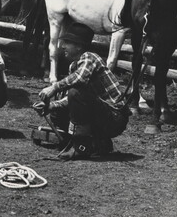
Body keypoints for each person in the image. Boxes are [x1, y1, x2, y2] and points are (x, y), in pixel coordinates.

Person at [38, 22, 130, 160]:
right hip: (104, 114)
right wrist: (50, 106)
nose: (63, 46)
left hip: (115, 117)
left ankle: (81, 146)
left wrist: (54, 87)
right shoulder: (74, 66)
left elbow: (80, 80)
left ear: (79, 46)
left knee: (76, 92)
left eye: (67, 43)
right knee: (57, 111)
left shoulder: (90, 57)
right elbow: (71, 98)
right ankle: (98, 143)